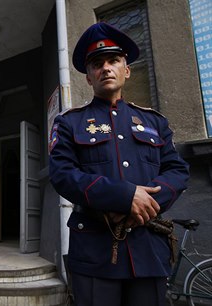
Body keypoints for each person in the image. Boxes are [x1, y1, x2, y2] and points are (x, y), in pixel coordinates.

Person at [49, 22, 189, 306]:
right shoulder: (69, 122)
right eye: (97, 64)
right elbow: (62, 174)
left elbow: (176, 170)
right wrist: (125, 197)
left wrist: (146, 202)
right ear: (89, 77)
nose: (106, 68)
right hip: (94, 252)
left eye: (114, 61)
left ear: (126, 70)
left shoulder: (154, 122)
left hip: (148, 251)